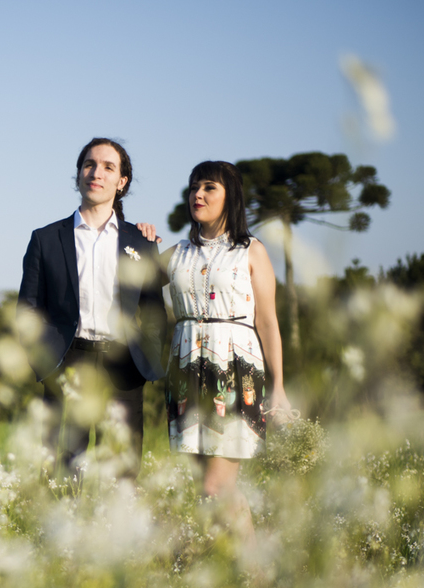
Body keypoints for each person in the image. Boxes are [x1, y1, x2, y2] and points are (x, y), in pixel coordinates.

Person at [157, 160, 291, 540]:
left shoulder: (251, 251)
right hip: (185, 372)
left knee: (217, 487)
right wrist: (140, 237)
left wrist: (278, 386)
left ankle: (257, 578)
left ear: (230, 196)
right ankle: (231, 576)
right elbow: (131, 279)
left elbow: (267, 322)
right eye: (193, 187)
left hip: (234, 372)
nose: (197, 195)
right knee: (208, 491)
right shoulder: (178, 253)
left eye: (209, 187)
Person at [17, 137, 167, 469]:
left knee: (123, 472)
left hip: (124, 367)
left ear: (121, 181)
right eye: (89, 164)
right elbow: (28, 308)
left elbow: (154, 310)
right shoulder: (45, 238)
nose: (96, 172)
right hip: (66, 364)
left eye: (108, 167)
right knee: (67, 471)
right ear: (78, 174)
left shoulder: (141, 242)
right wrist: (41, 361)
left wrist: (149, 357)